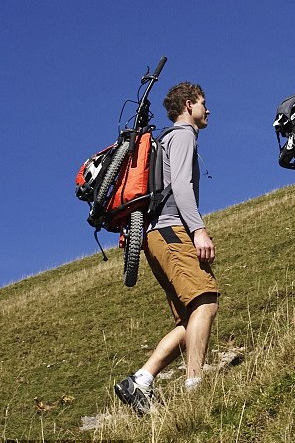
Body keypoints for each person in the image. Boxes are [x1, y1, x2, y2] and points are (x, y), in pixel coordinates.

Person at [114, 82, 219, 414]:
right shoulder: (183, 136)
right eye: (203, 103)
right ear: (189, 105)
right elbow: (182, 186)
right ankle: (195, 384)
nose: (208, 109)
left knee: (189, 317)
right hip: (173, 231)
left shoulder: (163, 142)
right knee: (206, 301)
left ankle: (141, 380)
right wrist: (198, 230)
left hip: (155, 237)